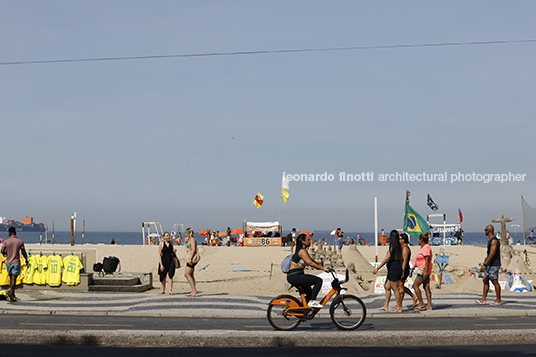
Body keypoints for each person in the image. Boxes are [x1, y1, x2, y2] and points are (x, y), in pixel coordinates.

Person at [286, 233, 329, 308]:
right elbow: (310, 263)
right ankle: (312, 301)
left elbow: (312, 261)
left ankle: (303, 311)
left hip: (296, 275)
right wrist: (324, 269)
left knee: (309, 293)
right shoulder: (302, 251)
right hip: (295, 276)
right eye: (308, 240)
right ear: (303, 241)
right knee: (318, 281)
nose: (310, 241)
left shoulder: (302, 251)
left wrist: (323, 267)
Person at [373, 230, 404, 312]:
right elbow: (401, 259)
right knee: (387, 286)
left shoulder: (393, 247)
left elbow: (386, 258)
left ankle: (399, 307)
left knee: (395, 288)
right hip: (393, 268)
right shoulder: (399, 247)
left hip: (394, 268)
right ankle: (386, 306)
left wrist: (378, 268)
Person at [475, 225, 502, 305]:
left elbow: (492, 253)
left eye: (485, 230)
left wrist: (485, 264)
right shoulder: (490, 240)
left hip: (494, 264)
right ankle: (483, 299)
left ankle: (498, 300)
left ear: (488, 231)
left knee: (495, 281)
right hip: (489, 264)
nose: (485, 231)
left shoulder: (494, 241)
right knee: (485, 280)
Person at [1, 227, 28, 302]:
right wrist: (26, 260)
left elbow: (2, 251)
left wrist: (8, 254)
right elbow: (23, 252)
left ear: (9, 233)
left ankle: (12, 294)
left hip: (8, 262)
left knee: (11, 279)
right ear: (15, 232)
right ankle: (12, 296)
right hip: (16, 262)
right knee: (14, 279)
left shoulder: (6, 242)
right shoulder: (20, 241)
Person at [413, 233, 433, 311]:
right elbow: (420, 259)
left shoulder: (426, 248)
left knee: (415, 286)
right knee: (426, 287)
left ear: (421, 240)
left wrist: (425, 271)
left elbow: (427, 260)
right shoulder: (423, 247)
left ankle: (421, 303)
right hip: (423, 269)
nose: (418, 241)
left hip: (423, 270)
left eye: (418, 239)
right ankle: (429, 305)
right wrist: (414, 266)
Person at [398, 233, 418, 308]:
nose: (399, 240)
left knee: (400, 286)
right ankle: (413, 296)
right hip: (403, 268)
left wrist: (402, 271)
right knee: (400, 286)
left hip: (405, 269)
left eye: (400, 239)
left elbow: (405, 261)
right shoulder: (402, 248)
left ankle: (400, 304)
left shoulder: (405, 249)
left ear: (403, 240)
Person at [184, 228, 199, 297]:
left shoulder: (192, 239)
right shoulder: (190, 239)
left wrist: (190, 258)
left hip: (191, 259)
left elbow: (193, 249)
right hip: (190, 258)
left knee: (187, 274)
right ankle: (193, 290)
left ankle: (194, 290)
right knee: (191, 275)